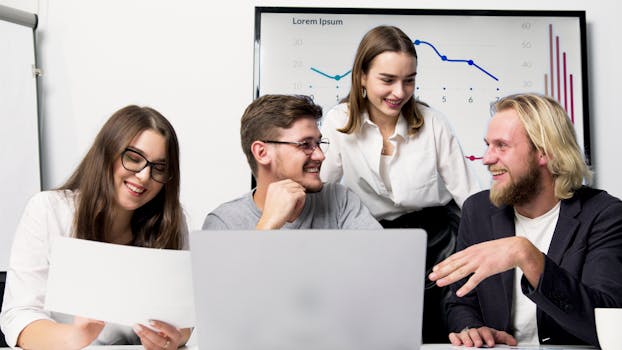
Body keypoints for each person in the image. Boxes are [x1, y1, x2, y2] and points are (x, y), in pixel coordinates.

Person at [320, 25, 480, 342]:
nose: (400, 92)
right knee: (374, 336)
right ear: (362, 76)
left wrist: (499, 246)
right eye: (388, 80)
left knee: (438, 334)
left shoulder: (433, 122)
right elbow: (321, 189)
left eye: (409, 80)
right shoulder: (338, 121)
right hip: (370, 242)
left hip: (436, 242)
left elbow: (470, 195)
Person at [429, 93, 622, 347]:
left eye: (501, 146)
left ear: (544, 153)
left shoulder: (605, 215)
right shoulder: (478, 210)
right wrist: (473, 329)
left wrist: (526, 254)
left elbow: (607, 323)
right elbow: (461, 302)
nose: (487, 159)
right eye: (488, 145)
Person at [0, 105, 192, 349]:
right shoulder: (49, 210)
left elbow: (183, 318)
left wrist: (174, 338)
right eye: (133, 158)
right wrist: (75, 338)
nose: (144, 176)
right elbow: (19, 316)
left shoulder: (171, 221)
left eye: (159, 168)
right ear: (106, 154)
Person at [202, 94, 381, 230]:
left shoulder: (339, 200)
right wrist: (268, 225)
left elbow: (385, 265)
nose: (320, 156)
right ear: (262, 153)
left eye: (318, 143)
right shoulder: (224, 222)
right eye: (305, 144)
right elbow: (230, 280)